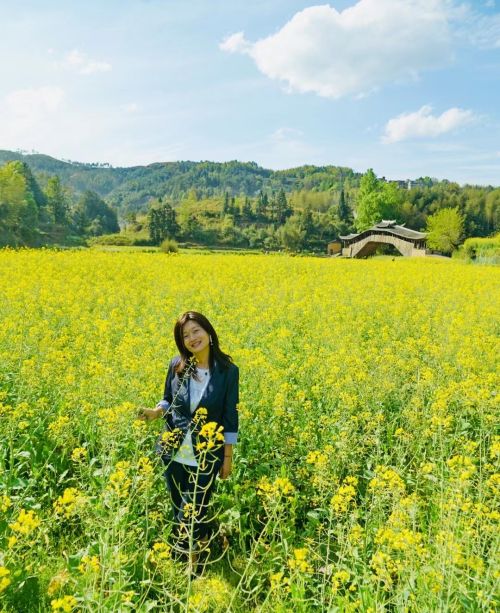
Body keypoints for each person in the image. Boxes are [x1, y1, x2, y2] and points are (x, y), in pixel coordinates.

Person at [140, 311, 239, 561]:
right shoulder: (177, 365)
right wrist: (154, 412)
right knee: (179, 505)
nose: (192, 338)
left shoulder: (228, 371)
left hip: (207, 451)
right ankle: (202, 540)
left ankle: (188, 558)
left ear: (208, 332)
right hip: (173, 447)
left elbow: (230, 417)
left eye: (196, 331)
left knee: (194, 506)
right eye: (185, 335)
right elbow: (168, 400)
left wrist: (227, 458)